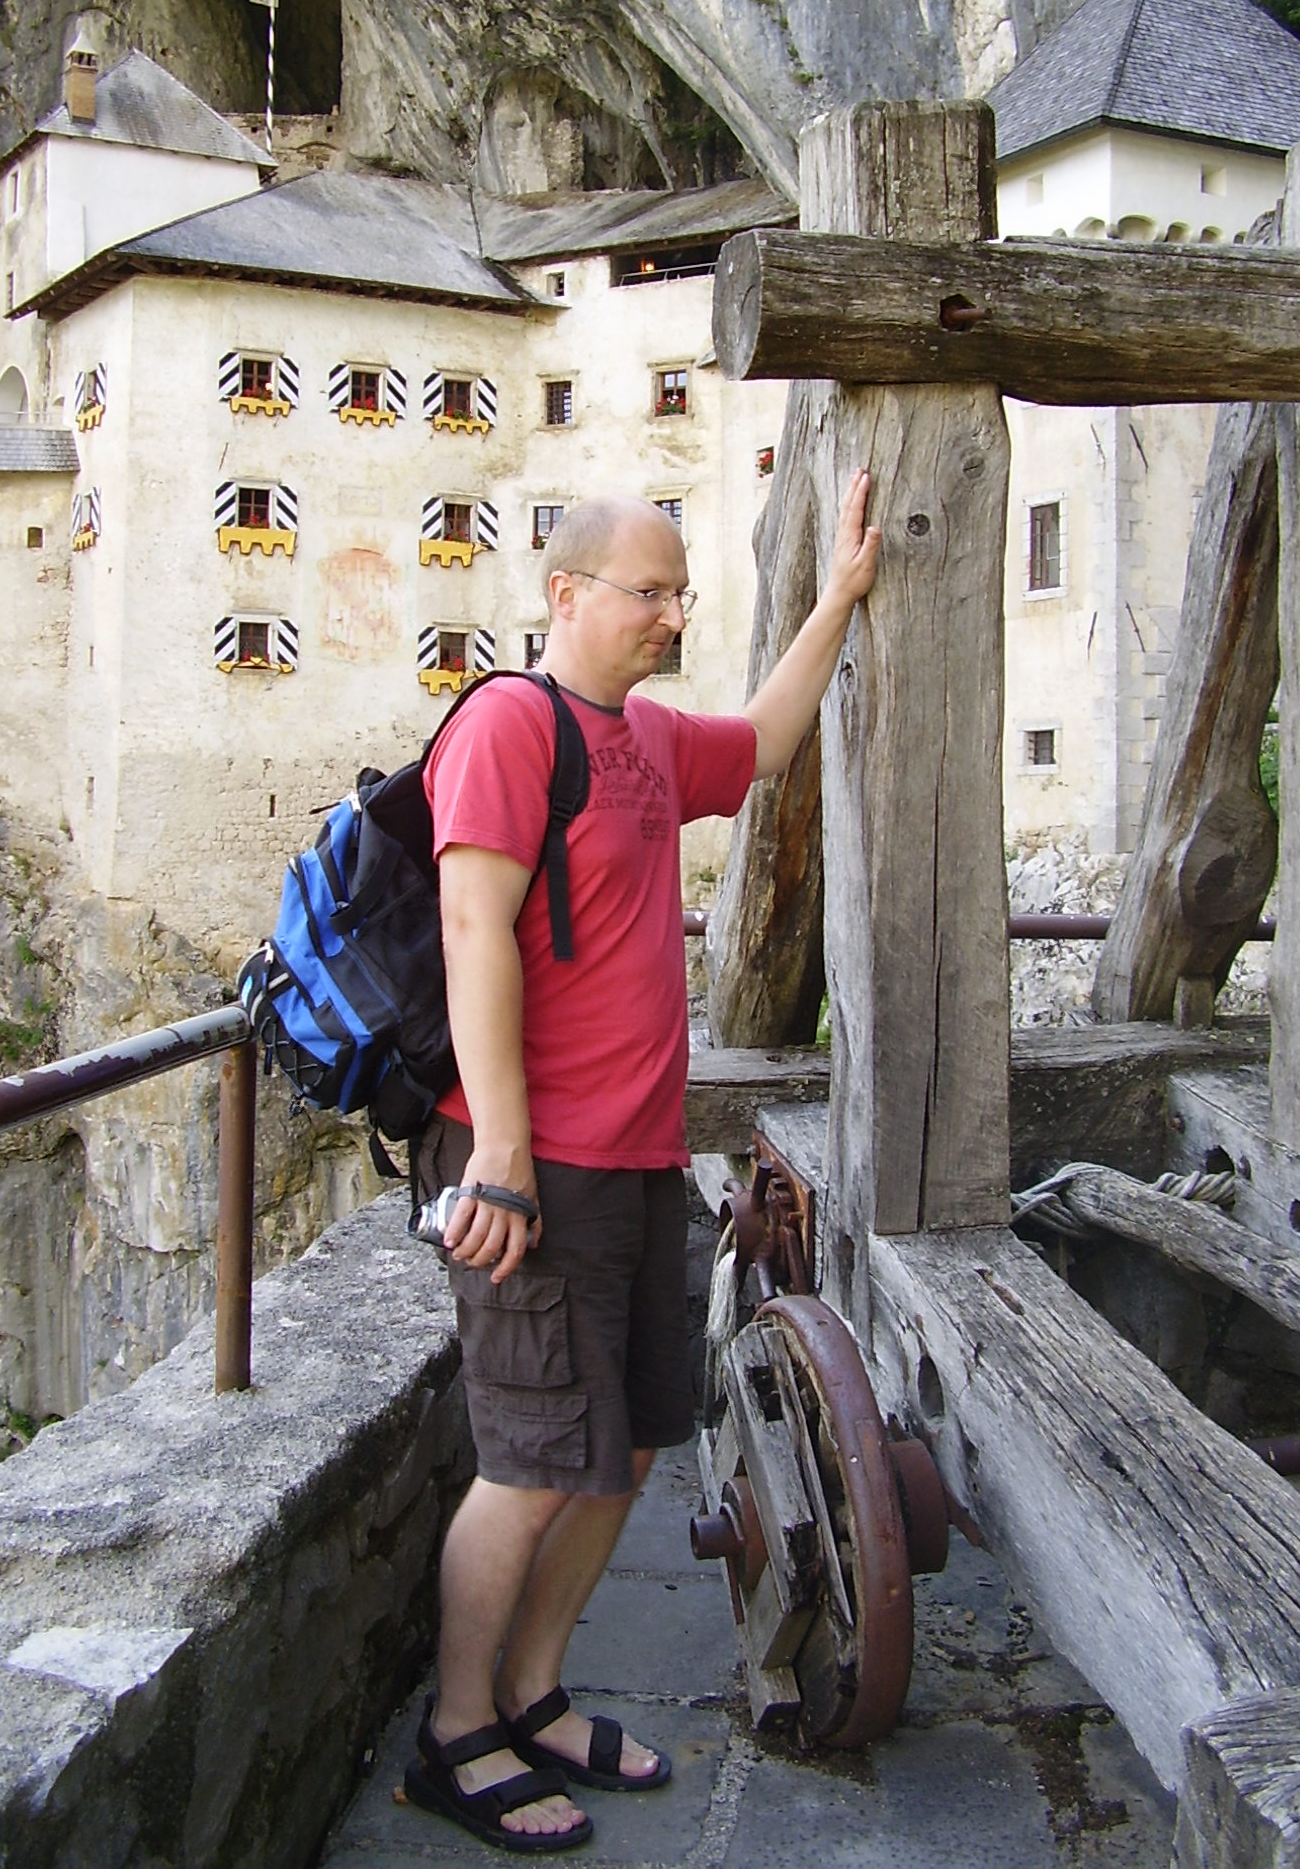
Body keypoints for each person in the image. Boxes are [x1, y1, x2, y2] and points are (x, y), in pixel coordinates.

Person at [402, 472, 879, 1851]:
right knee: (534, 1460)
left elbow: (769, 740)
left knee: (630, 1446)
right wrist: (500, 1153)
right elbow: (473, 932)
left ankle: (535, 1692)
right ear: (566, 593)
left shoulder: (652, 741)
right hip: (529, 1161)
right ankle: (454, 1732)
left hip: (635, 1157)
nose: (672, 615)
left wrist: (841, 595)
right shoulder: (507, 724)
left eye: (681, 594)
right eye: (649, 592)